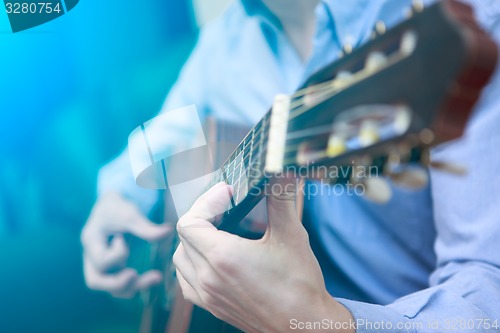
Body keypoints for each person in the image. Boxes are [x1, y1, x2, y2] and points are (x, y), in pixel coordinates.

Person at [83, 0, 500, 331]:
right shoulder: (225, 42)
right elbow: (161, 137)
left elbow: (488, 291)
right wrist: (115, 194)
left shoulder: (468, 23)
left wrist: (324, 325)